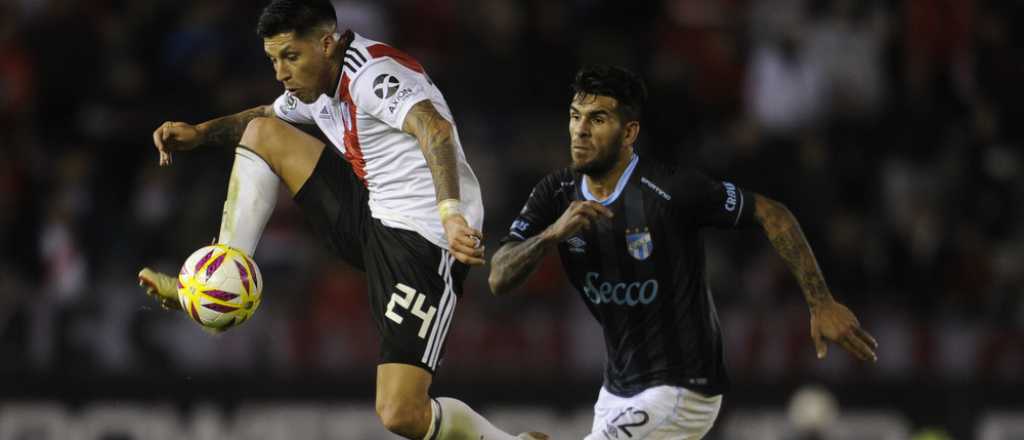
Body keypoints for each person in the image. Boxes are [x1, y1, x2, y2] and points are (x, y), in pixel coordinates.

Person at [137, 1, 544, 439]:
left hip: (425, 240)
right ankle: (222, 280)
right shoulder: (314, 85)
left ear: (327, 43)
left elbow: (436, 131)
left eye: (290, 56)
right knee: (262, 135)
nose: (281, 72)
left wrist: (450, 217)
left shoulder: (372, 75)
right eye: (274, 60)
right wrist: (200, 133)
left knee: (400, 412)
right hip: (372, 214)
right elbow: (268, 115)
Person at [488, 65, 878, 440]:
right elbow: (498, 277)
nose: (581, 131)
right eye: (575, 117)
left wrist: (820, 301)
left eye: (598, 119)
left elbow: (771, 212)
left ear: (629, 132)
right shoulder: (554, 193)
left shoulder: (670, 189)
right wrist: (550, 235)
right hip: (616, 392)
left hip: (684, 389)